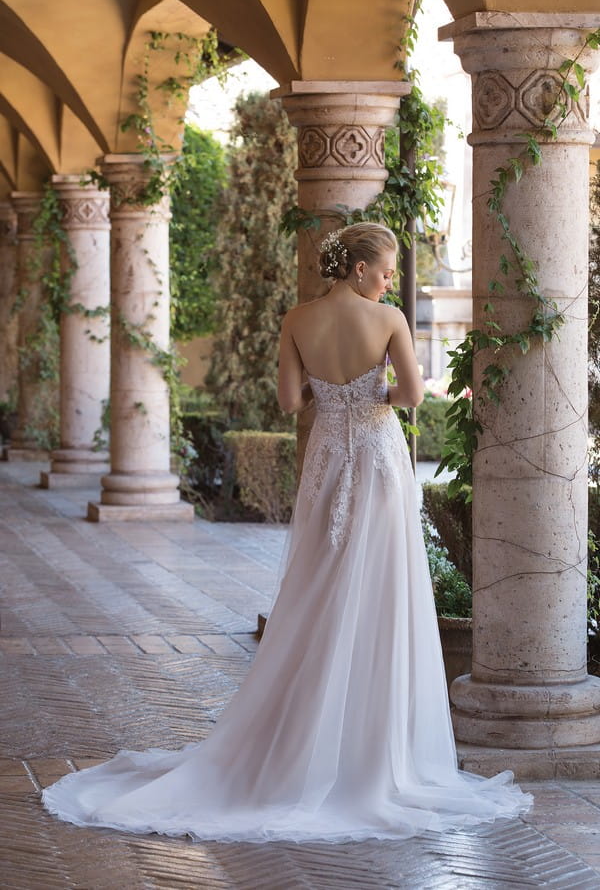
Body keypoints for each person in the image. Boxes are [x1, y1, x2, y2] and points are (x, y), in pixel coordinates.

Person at [42, 222, 534, 844]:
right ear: (357, 268)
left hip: (327, 461)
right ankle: (371, 751)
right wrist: (370, 391)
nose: (389, 281)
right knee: (381, 595)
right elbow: (411, 394)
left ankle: (302, 739)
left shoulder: (296, 318)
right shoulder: (387, 322)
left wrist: (333, 394)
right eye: (385, 271)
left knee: (318, 592)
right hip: (379, 466)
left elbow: (286, 402)